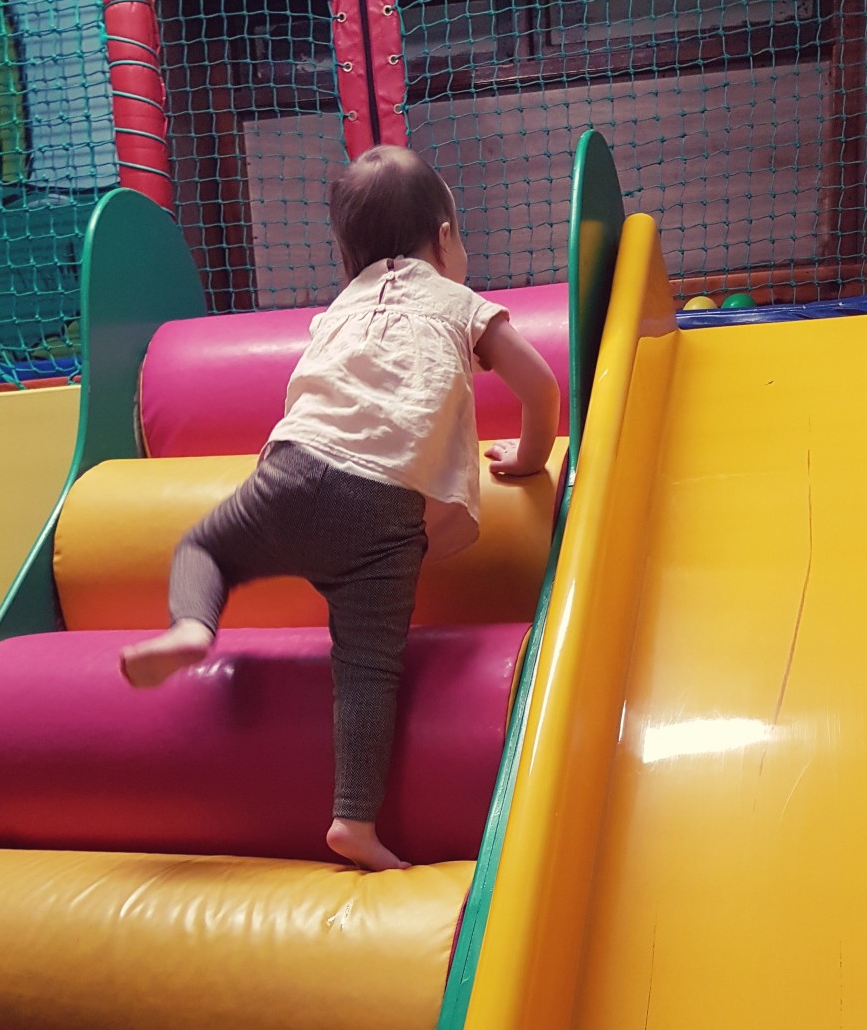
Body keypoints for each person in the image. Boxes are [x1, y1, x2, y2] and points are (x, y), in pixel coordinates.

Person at [121, 146, 560, 872]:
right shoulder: (460, 301)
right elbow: (539, 385)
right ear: (445, 238)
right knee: (365, 670)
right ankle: (352, 820)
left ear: (345, 254)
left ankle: (194, 627)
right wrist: (532, 458)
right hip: (384, 516)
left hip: (295, 471)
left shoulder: (339, 309)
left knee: (204, 550)